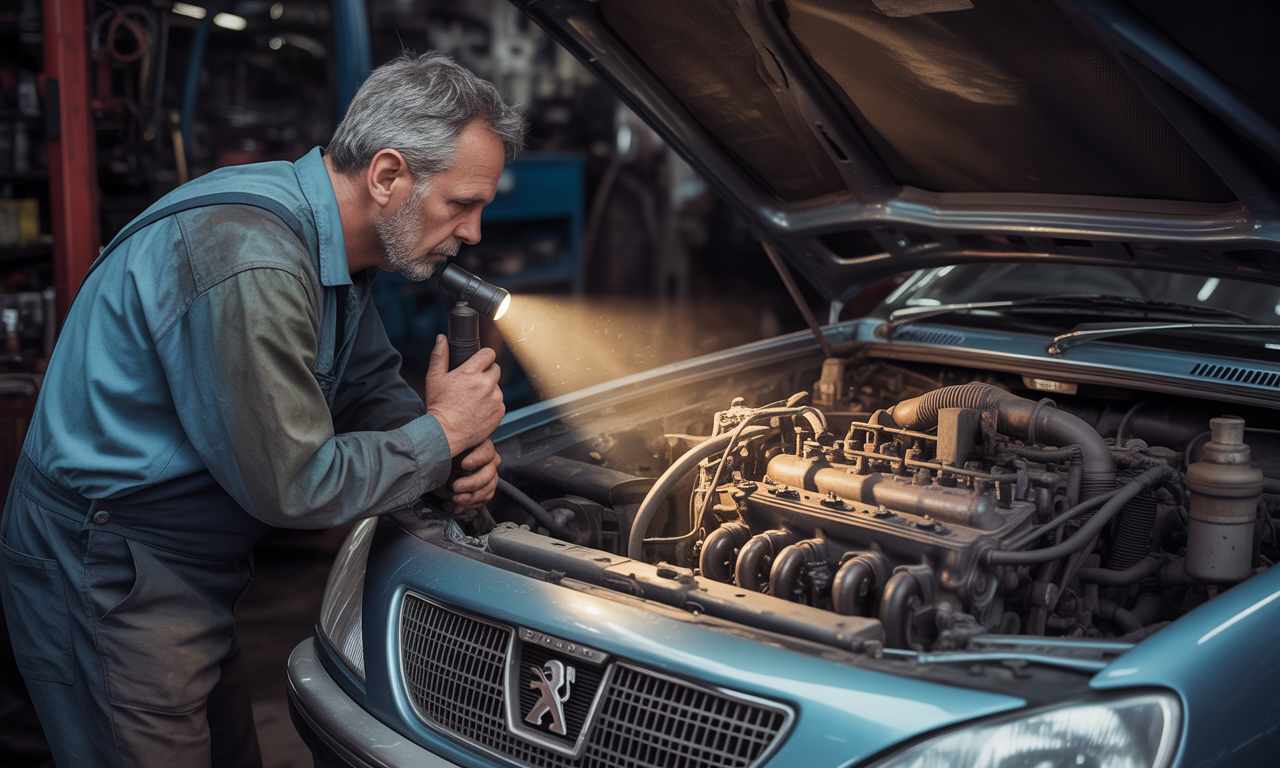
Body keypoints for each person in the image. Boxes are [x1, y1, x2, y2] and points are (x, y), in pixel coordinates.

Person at [0, 51, 524, 767]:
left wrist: (446, 457)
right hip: (107, 563)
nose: (473, 234)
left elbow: (367, 386)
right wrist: (438, 437)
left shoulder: (333, 248)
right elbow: (295, 482)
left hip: (186, 565)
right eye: (461, 204)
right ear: (389, 175)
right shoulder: (256, 263)